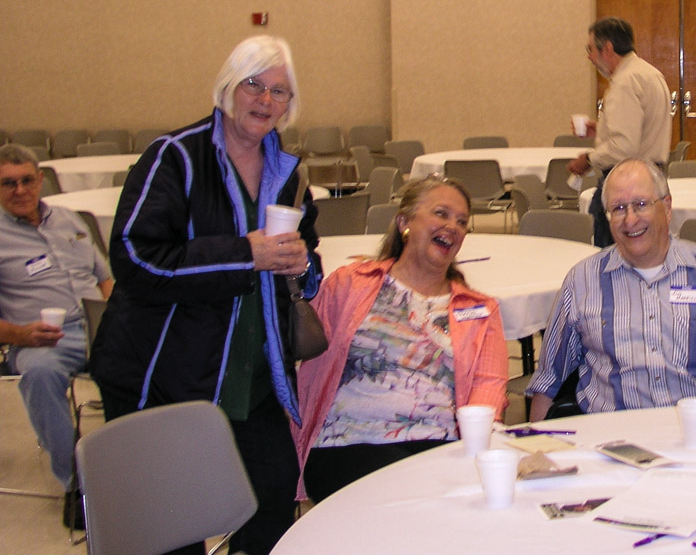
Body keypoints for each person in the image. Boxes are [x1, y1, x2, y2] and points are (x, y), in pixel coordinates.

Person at [90, 35, 321, 554]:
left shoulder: (288, 172)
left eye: (279, 92)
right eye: (253, 85)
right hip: (165, 379)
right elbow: (135, 257)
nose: (265, 101)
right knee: (171, 533)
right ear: (227, 87)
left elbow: (308, 263)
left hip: (252, 380)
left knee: (272, 504)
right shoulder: (174, 157)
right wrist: (246, 254)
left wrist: (302, 268)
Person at [291, 175, 508, 503]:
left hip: (438, 446)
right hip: (347, 442)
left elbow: (488, 388)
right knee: (410, 498)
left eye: (462, 221)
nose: (453, 226)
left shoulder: (479, 309)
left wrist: (475, 447)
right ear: (404, 223)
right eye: (441, 214)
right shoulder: (351, 283)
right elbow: (300, 346)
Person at [526, 159, 696, 422]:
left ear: (666, 208)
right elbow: (548, 380)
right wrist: (534, 448)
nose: (630, 220)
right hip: (609, 438)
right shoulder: (582, 280)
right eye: (618, 208)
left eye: (641, 205)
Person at [0, 144, 113, 528]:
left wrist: (118, 314)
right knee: (39, 376)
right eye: (7, 183)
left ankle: (134, 467)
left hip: (99, 325)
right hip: (40, 339)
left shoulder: (70, 219)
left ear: (40, 180)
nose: (19, 190)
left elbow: (105, 278)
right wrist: (19, 333)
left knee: (151, 359)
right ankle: (78, 486)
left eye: (26, 180)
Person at [567, 17, 672, 247]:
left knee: (613, 262)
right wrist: (602, 127)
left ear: (607, 49)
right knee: (648, 256)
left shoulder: (625, 82)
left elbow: (624, 148)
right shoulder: (650, 74)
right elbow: (642, 130)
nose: (589, 57)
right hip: (653, 182)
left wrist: (588, 159)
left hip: (627, 187)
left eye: (590, 50)